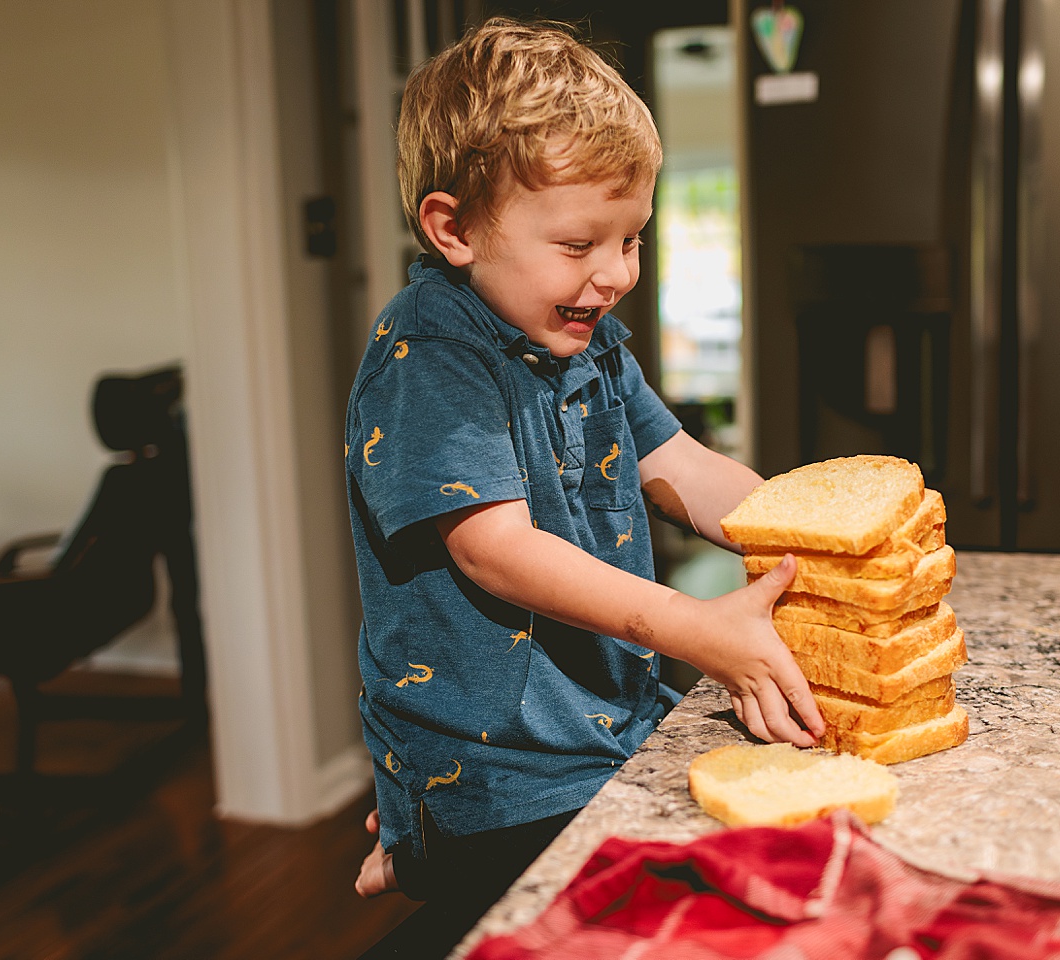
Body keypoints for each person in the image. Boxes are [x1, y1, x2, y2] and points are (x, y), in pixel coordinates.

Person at [345, 16, 823, 955]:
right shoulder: (429, 355)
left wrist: (807, 533)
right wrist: (697, 630)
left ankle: (429, 857)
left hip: (604, 731)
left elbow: (680, 465)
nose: (614, 276)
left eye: (633, 241)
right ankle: (434, 850)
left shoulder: (588, 341)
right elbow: (495, 549)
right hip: (500, 768)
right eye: (578, 245)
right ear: (455, 228)